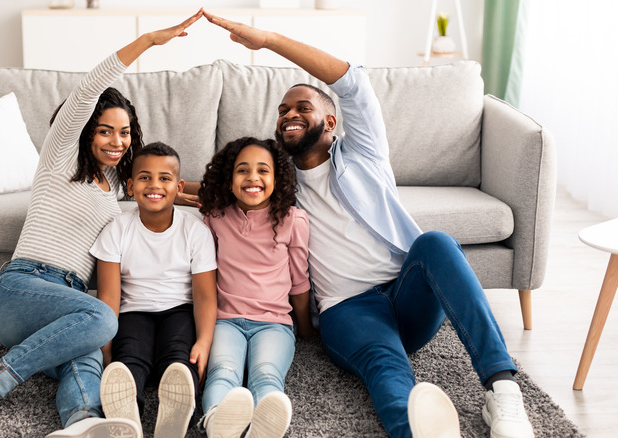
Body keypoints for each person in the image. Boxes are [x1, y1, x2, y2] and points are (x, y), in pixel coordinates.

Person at [204, 10, 535, 438]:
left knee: (436, 242)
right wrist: (165, 185)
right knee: (387, 369)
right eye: (283, 110)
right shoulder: (276, 185)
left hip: (407, 290)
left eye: (303, 107)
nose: (289, 114)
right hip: (348, 309)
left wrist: (267, 40)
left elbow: (351, 82)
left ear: (332, 122)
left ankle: (502, 391)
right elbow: (222, 187)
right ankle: (415, 430)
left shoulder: (364, 150)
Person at [0, 10, 204, 438]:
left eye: (124, 133)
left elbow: (167, 184)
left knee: (87, 360)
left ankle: (80, 425)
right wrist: (149, 40)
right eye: (105, 131)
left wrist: (224, 191)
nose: (117, 142)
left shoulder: (118, 183)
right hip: (22, 289)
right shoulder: (59, 156)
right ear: (84, 132)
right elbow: (88, 90)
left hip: (68, 309)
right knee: (104, 319)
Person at [90, 142, 217, 438]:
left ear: (179, 186)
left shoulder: (195, 231)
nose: (155, 185)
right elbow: (109, 295)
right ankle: (125, 415)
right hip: (134, 311)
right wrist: (106, 348)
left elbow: (205, 296)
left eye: (165, 178)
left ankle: (175, 415)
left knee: (178, 357)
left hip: (180, 310)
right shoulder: (117, 229)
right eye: (145, 178)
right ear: (131, 186)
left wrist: (204, 342)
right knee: (130, 355)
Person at [195, 136, 314, 438]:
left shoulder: (293, 220)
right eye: (242, 170)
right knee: (222, 373)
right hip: (225, 321)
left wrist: (305, 329)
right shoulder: (215, 217)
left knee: (266, 375)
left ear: (277, 178)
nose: (252, 178)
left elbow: (299, 282)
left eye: (263, 170)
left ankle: (263, 427)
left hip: (273, 324)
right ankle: (216, 422)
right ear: (229, 179)